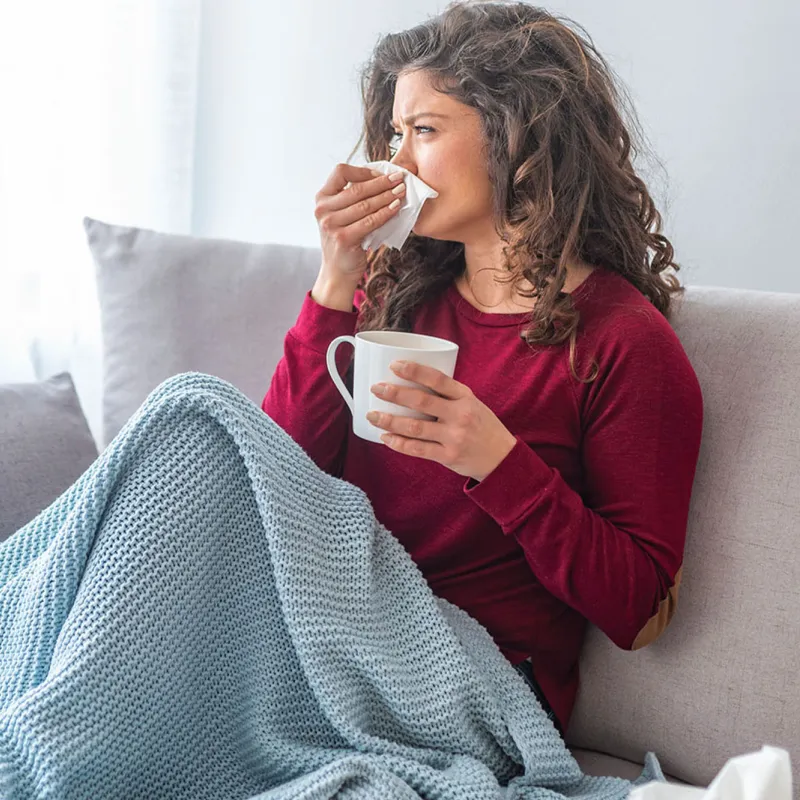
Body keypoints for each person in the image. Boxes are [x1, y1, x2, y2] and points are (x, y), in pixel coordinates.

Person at [263, 1, 704, 737]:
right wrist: (335, 281)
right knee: (189, 418)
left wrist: (499, 462)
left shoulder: (623, 342)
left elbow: (640, 610)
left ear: (517, 135)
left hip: (476, 686)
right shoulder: (397, 293)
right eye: (395, 134)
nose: (395, 162)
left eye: (424, 131)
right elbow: (272, 481)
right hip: (334, 639)